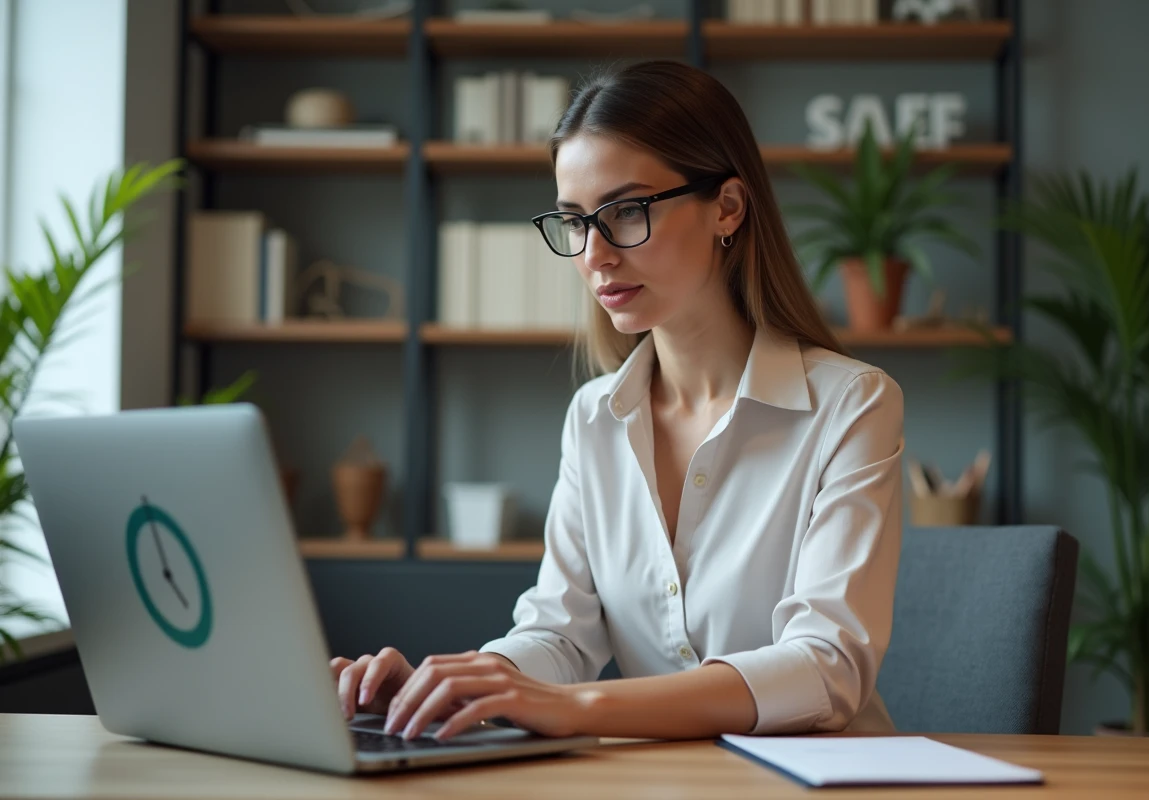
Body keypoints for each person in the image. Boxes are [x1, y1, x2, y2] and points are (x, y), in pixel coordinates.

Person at [330, 60, 904, 742]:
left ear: (727, 207)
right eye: (575, 222)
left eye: (626, 211)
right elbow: (558, 636)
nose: (595, 254)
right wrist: (459, 687)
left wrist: (581, 709)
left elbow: (825, 668)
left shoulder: (851, 406)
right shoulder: (595, 418)